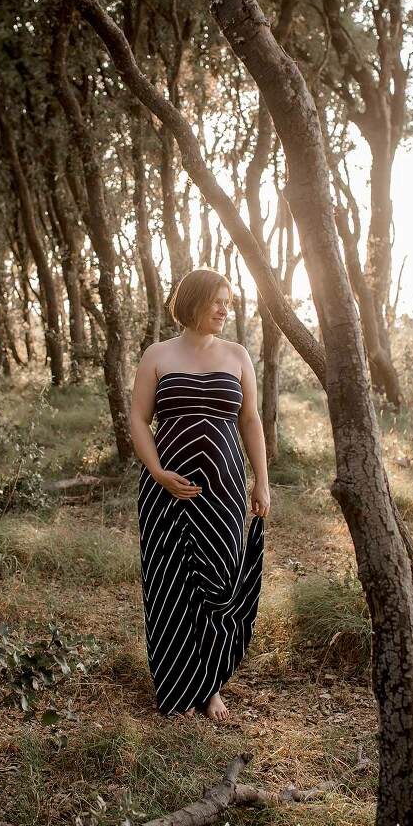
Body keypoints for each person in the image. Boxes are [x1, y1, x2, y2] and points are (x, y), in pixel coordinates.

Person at [130, 267, 270, 722]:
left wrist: (261, 481)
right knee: (169, 586)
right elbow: (138, 420)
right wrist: (157, 471)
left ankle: (209, 686)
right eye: (216, 301)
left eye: (228, 302)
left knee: (219, 584)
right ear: (191, 302)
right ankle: (176, 688)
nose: (224, 309)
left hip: (224, 491)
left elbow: (250, 420)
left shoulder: (237, 355)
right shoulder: (157, 355)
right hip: (164, 493)